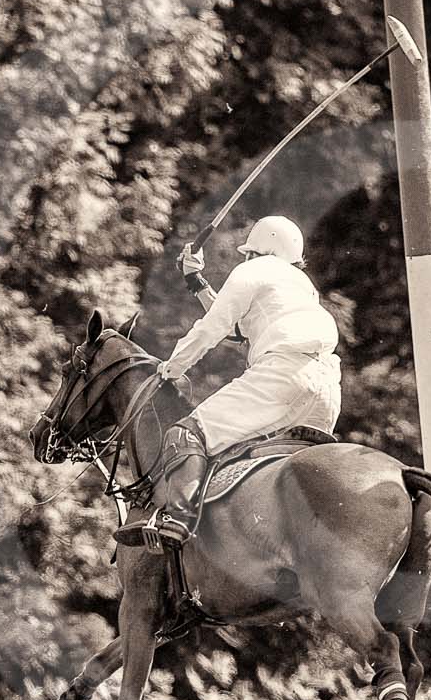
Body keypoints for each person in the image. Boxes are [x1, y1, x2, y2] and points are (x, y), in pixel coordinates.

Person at [133, 215, 342, 550]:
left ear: (257, 249)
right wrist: (195, 281)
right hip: (327, 389)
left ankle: (177, 522)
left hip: (282, 378)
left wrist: (171, 368)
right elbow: (239, 328)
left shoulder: (251, 270)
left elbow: (213, 328)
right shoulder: (302, 285)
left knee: (185, 434)